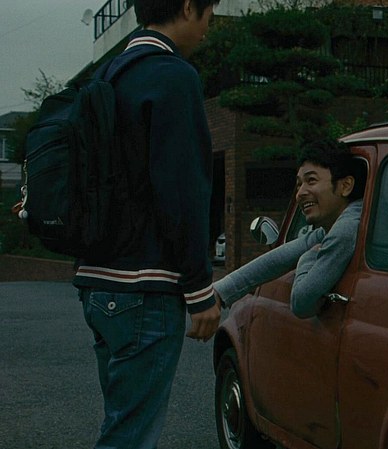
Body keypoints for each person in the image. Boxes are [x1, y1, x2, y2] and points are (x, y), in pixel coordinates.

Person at [71, 0, 221, 447]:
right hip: (145, 286)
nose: (208, 28)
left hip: (97, 282)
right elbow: (183, 189)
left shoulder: (107, 75)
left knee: (120, 423)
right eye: (209, 15)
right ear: (189, 6)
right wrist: (199, 290)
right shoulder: (173, 76)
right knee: (130, 437)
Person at [213, 140, 366, 318]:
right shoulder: (346, 220)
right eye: (299, 184)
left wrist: (309, 257)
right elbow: (278, 258)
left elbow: (302, 303)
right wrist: (220, 291)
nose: (300, 193)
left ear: (345, 186)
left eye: (311, 180)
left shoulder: (348, 227)